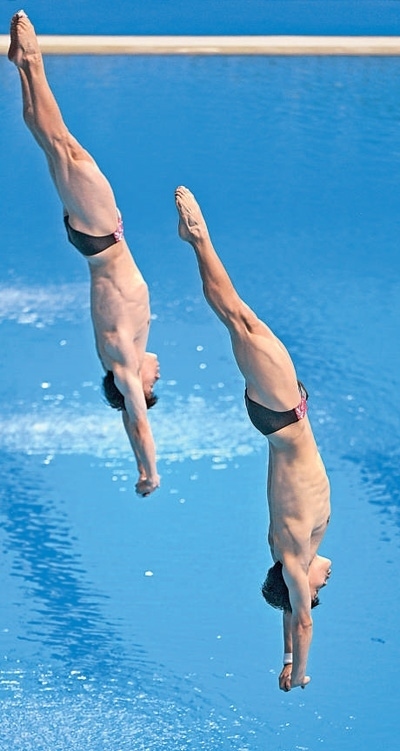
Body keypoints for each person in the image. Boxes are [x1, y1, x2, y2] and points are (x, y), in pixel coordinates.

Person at [175, 185, 331, 691]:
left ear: (299, 587)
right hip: (278, 419)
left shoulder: (293, 556)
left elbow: (301, 618)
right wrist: (284, 658)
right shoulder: (293, 553)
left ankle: (198, 238)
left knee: (238, 318)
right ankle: (197, 241)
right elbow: (291, 614)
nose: (323, 588)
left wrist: (299, 673)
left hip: (283, 415)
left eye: (315, 594)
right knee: (239, 322)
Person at [8, 11, 160, 497]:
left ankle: (32, 61)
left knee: (61, 146)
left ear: (138, 388)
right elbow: (129, 416)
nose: (159, 374)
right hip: (96, 240)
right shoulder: (121, 355)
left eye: (154, 385)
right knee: (55, 145)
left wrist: (148, 472)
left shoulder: (123, 361)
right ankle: (22, 67)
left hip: (102, 236)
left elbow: (137, 422)